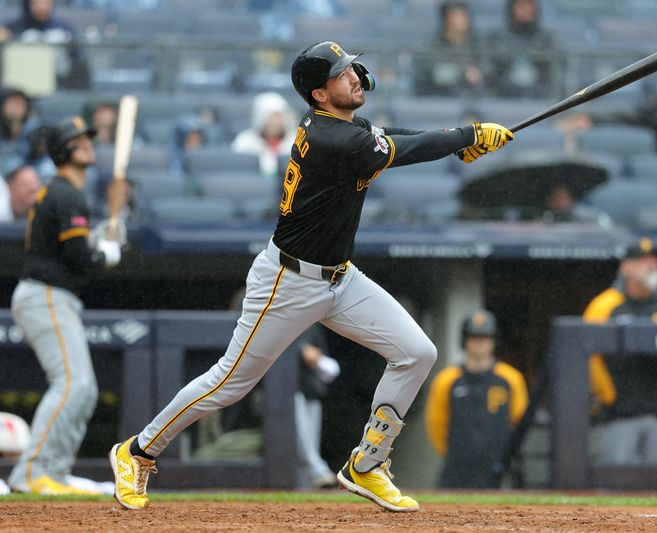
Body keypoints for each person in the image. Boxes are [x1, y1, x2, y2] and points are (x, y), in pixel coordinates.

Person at [109, 40, 512, 512]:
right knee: (229, 383)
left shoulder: (346, 127)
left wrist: (457, 139)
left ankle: (367, 462)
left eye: (352, 69)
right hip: (288, 282)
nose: (355, 77)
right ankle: (137, 451)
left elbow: (390, 136)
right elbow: (398, 149)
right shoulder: (331, 137)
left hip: (340, 278)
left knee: (417, 352)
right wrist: (466, 135)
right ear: (320, 95)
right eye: (342, 74)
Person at [7, 117, 122, 495]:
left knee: (83, 388)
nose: (87, 144)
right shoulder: (66, 192)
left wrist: (102, 240)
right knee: (72, 384)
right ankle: (31, 472)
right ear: (62, 152)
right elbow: (78, 256)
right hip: (46, 295)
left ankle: (53, 472)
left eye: (87, 138)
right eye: (77, 141)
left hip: (51, 296)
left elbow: (76, 249)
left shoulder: (66, 192)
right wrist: (104, 253)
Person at [585, 238, 657, 465]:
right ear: (625, 267)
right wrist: (608, 395)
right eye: (643, 261)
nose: (652, 265)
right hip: (619, 415)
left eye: (654, 260)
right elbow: (589, 357)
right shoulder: (605, 305)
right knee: (615, 487)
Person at [425, 309, 528, 488]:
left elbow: (520, 423)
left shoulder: (511, 378)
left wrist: (506, 456)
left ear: (494, 341)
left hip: (499, 469)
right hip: (456, 469)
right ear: (464, 341)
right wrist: (456, 453)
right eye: (474, 337)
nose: (480, 342)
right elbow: (436, 424)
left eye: (485, 337)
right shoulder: (446, 380)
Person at [294, 325, 340, 488]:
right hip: (284, 391)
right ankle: (318, 470)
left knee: (309, 442)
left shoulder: (311, 322)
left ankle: (308, 484)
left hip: (310, 389)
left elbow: (330, 368)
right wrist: (299, 348)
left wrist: (313, 355)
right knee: (300, 442)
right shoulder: (257, 305)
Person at [487, 0, 558, 98]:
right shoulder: (497, 38)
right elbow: (491, 72)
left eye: (530, 4)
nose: (527, 9)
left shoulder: (546, 39)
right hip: (504, 95)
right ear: (511, 8)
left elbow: (553, 72)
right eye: (521, 5)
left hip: (539, 95)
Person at [414, 1, 484, 96]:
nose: (462, 19)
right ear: (446, 18)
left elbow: (490, 65)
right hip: (445, 97)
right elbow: (437, 73)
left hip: (475, 94)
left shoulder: (477, 43)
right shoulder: (436, 46)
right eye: (456, 15)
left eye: (464, 15)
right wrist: (463, 74)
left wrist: (479, 72)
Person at [231, 92, 297, 180]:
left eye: (279, 117)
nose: (275, 122)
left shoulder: (297, 140)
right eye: (271, 117)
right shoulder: (244, 141)